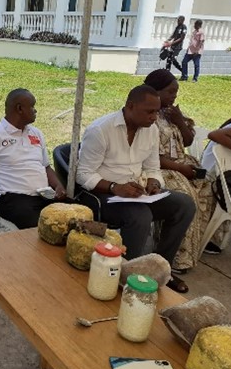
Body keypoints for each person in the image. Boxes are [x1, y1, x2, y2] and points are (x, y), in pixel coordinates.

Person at [76, 84, 196, 293]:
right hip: (102, 196)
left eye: (156, 112)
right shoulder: (100, 130)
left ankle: (159, 269)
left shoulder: (151, 130)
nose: (154, 117)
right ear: (130, 106)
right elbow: (83, 174)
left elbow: (153, 167)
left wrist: (154, 183)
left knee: (184, 204)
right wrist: (115, 187)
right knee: (140, 216)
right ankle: (126, 276)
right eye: (149, 112)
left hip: (136, 194)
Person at [144, 69, 222, 270]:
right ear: (155, 91)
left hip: (182, 164)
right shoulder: (148, 115)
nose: (174, 96)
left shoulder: (171, 113)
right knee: (187, 196)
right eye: (170, 92)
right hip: (161, 167)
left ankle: (197, 243)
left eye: (176, 92)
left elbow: (187, 141)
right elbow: (150, 157)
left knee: (210, 188)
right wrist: (180, 168)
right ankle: (179, 256)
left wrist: (179, 120)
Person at [0, 88, 66, 230]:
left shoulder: (36, 133)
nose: (35, 110)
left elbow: (46, 166)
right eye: (32, 106)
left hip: (44, 195)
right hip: (13, 199)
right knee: (45, 228)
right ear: (19, 109)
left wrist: (58, 186)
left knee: (78, 216)